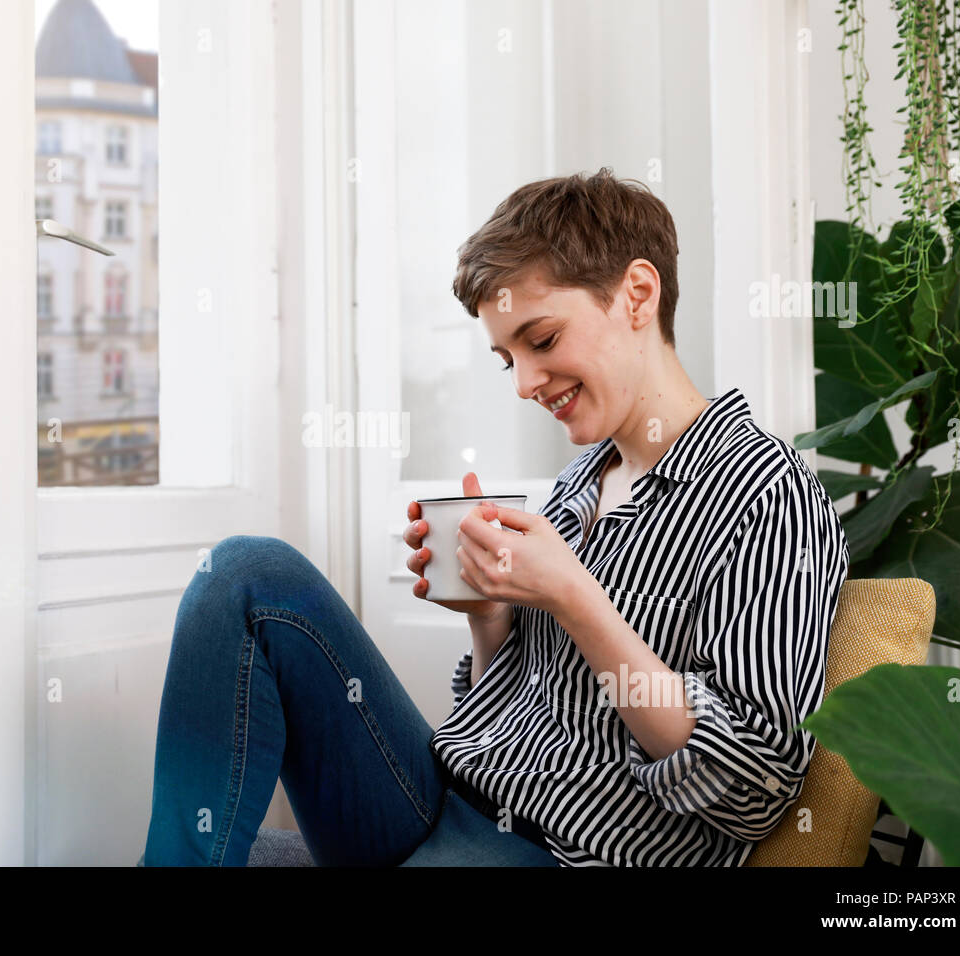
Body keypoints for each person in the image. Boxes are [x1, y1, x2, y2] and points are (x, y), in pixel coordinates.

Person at [140, 168, 849, 867]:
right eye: (506, 359)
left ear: (637, 294)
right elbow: (504, 714)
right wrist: (489, 618)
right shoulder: (579, 487)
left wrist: (575, 598)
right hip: (444, 802)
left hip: (563, 854)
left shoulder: (765, 491)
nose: (525, 385)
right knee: (246, 574)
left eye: (540, 342)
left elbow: (754, 785)